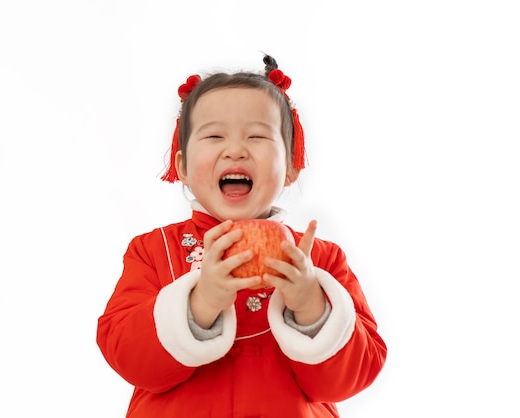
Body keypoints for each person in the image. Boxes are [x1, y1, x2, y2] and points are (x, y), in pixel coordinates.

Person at [96, 54, 387, 418]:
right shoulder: (154, 252)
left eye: (257, 135)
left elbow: (353, 377)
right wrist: (200, 303)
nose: (236, 149)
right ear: (182, 166)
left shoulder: (320, 260)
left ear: (292, 166)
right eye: (215, 135)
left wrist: (311, 305)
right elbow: (126, 355)